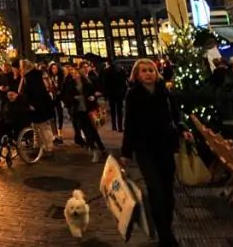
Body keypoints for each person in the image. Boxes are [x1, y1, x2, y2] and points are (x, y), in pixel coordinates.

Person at [120, 58, 194, 247]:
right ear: (137, 75)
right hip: (145, 149)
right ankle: (164, 234)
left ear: (156, 72)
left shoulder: (165, 92)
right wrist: (126, 152)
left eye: (151, 70)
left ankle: (166, 226)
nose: (148, 73)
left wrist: (183, 128)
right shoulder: (133, 95)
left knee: (168, 192)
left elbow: (176, 115)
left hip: (165, 146)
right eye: (144, 71)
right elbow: (129, 124)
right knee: (155, 190)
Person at [62, 63, 107, 161]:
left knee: (93, 131)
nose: (74, 74)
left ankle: (101, 147)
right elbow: (66, 95)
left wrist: (93, 96)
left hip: (89, 109)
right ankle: (94, 150)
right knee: (87, 131)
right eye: (72, 73)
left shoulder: (88, 81)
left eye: (75, 73)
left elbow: (98, 91)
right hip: (78, 110)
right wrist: (73, 99)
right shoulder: (69, 83)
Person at [19, 60, 56, 157]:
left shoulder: (33, 77)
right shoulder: (31, 76)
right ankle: (38, 146)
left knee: (43, 127)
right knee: (36, 127)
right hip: (37, 106)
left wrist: (33, 104)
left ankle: (48, 148)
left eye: (21, 68)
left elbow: (37, 92)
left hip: (40, 106)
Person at [102, 60, 129, 132]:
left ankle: (114, 125)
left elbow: (105, 83)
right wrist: (124, 92)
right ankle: (120, 127)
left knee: (113, 110)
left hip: (111, 93)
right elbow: (124, 82)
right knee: (120, 110)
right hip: (119, 92)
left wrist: (105, 94)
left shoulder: (107, 71)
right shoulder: (121, 70)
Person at [46, 62, 64, 144]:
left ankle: (60, 130)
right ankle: (55, 134)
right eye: (52, 68)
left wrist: (59, 90)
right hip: (52, 98)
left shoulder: (61, 77)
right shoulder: (49, 77)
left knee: (60, 114)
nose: (54, 70)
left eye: (56, 68)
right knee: (52, 115)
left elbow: (62, 87)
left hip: (59, 98)